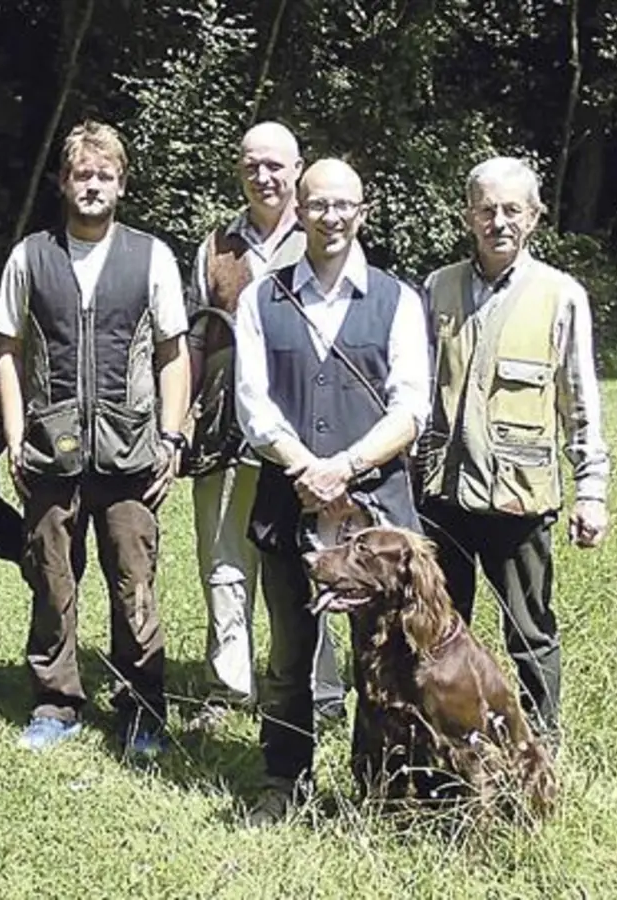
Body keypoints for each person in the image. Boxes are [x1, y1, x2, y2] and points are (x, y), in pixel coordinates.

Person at [234, 158, 429, 824]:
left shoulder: (398, 300)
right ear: (299, 210)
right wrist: (307, 469)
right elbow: (253, 404)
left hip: (376, 516)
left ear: (362, 212)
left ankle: (381, 787)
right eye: (317, 204)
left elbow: (412, 408)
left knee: (385, 657)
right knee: (290, 655)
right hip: (287, 508)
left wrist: (344, 467)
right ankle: (283, 779)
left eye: (344, 204)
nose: (331, 216)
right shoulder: (261, 298)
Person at [0, 120, 191, 756]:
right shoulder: (30, 256)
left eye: (106, 175)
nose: (94, 185)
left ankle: (142, 709)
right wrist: (15, 436)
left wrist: (171, 438)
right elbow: (7, 350)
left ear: (122, 185)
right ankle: (56, 703)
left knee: (134, 583)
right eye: (83, 174)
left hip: (131, 452)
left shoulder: (151, 256)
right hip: (49, 452)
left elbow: (173, 354)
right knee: (52, 580)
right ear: (64, 181)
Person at [416, 156, 611, 738]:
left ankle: (540, 745)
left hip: (519, 499)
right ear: (467, 216)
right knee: (438, 629)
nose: (498, 222)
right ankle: (448, 739)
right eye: (486, 209)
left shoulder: (561, 295)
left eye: (511, 210)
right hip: (443, 496)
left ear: (534, 216)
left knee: (530, 631)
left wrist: (592, 491)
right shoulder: (438, 287)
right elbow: (418, 389)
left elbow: (580, 400)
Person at [184, 122, 349, 734]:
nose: (263, 176)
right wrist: (183, 418)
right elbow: (196, 337)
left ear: (298, 169)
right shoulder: (216, 246)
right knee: (224, 562)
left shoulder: (321, 236)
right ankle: (228, 689)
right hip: (223, 432)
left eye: (275, 165)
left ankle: (320, 691)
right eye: (252, 165)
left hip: (303, 437)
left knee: (312, 559)